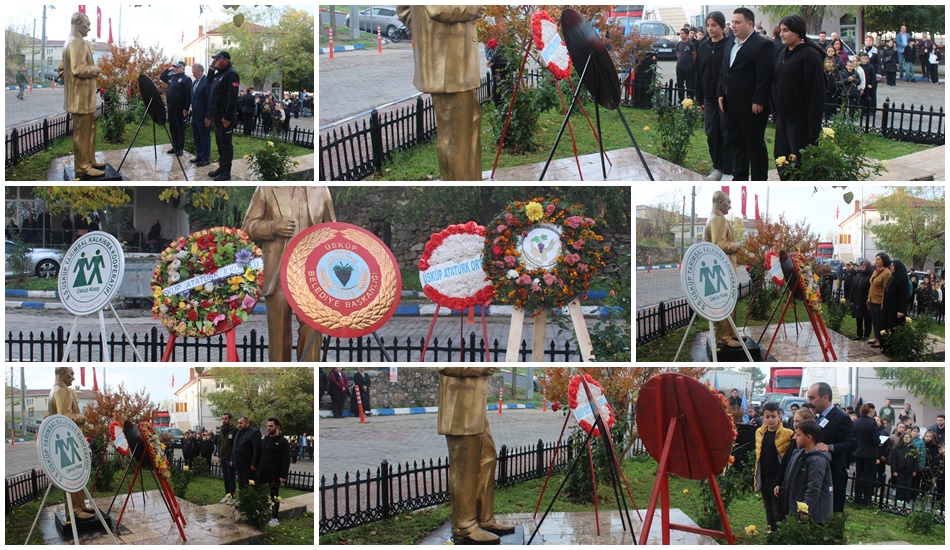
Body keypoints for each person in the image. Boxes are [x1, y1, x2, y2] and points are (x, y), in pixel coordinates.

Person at [242, 186, 337, 361]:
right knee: (279, 332)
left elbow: (332, 230)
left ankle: (310, 370)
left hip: (312, 275)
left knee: (313, 329)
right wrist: (271, 227)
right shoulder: (266, 189)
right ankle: (280, 372)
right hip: (278, 272)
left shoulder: (322, 190)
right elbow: (247, 228)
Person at [398, 5, 485, 181]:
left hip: (454, 62)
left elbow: (404, 9)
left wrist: (427, 33)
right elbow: (438, 8)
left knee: (469, 126)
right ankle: (461, 187)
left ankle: (471, 182)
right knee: (456, 136)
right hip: (449, 65)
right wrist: (476, 7)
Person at [437, 367, 515, 544]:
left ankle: (484, 519)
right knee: (465, 469)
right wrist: (482, 368)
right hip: (460, 410)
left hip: (476, 409)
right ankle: (465, 526)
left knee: (488, 458)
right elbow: (443, 366)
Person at [717, 7, 774, 181]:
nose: (733, 25)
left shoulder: (762, 45)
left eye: (737, 22)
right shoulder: (730, 43)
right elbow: (725, 71)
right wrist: (721, 93)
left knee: (754, 146)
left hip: (752, 107)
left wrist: (759, 99)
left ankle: (758, 180)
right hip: (731, 104)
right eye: (732, 22)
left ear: (750, 24)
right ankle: (740, 176)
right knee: (738, 144)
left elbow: (765, 75)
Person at [772, 15, 825, 181]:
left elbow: (816, 93)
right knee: (781, 159)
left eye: (786, 30)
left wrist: (813, 129)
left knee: (799, 164)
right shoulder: (784, 52)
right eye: (781, 30)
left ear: (797, 32)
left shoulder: (810, 55)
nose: (781, 34)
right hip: (783, 117)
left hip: (800, 121)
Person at [59, 12, 106, 178]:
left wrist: (72, 84)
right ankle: (83, 167)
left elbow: (62, 69)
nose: (89, 28)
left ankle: (89, 160)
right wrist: (95, 70)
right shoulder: (77, 41)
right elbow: (78, 69)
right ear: (78, 23)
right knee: (82, 133)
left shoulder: (70, 41)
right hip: (81, 100)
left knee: (89, 129)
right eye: (88, 24)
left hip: (81, 98)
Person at [48, 367, 96, 519]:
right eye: (72, 374)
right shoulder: (62, 391)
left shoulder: (54, 390)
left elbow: (48, 416)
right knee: (73, 475)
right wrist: (81, 417)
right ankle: (75, 510)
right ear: (63, 373)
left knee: (77, 474)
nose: (73, 378)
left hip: (65, 440)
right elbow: (65, 417)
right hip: (69, 441)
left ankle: (80, 505)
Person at [695, 11, 733, 182]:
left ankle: (729, 170)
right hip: (708, 98)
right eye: (708, 25)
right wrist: (699, 97)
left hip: (725, 98)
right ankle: (718, 167)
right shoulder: (703, 46)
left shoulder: (730, 46)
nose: (710, 29)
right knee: (712, 133)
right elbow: (698, 72)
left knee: (726, 133)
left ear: (722, 26)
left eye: (714, 25)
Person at [807, 382, 856, 514]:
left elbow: (852, 443)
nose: (809, 402)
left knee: (833, 512)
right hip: (818, 472)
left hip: (834, 474)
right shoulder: (818, 418)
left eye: (812, 398)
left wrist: (830, 447)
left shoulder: (841, 417)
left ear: (825, 397)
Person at [703, 191, 742, 346]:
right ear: (719, 202)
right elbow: (718, 245)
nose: (730, 206)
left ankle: (731, 332)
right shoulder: (718, 219)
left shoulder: (714, 217)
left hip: (722, 269)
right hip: (723, 269)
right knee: (725, 302)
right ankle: (724, 337)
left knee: (729, 301)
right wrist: (736, 246)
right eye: (728, 202)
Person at [776, 419, 833, 524]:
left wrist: (806, 509)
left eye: (798, 435)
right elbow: (791, 476)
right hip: (795, 506)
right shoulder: (798, 454)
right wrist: (782, 487)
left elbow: (814, 487)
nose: (795, 437)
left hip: (812, 515)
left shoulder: (817, 461)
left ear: (808, 437)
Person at [755, 402, 794, 531]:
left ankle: (780, 534)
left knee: (778, 509)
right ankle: (771, 532)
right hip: (764, 475)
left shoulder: (788, 433)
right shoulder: (759, 432)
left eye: (773, 416)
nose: (770, 420)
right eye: (767, 417)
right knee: (768, 508)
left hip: (778, 477)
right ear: (763, 418)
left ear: (779, 416)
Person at [205, 51, 240, 182]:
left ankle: (226, 172)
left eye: (217, 59)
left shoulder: (231, 74)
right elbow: (209, 81)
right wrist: (211, 68)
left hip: (225, 117)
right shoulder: (219, 73)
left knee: (226, 145)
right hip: (217, 115)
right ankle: (221, 167)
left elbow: (232, 97)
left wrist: (227, 117)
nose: (215, 61)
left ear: (225, 60)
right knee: (220, 143)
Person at [257, 418, 291, 527]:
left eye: (271, 426)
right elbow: (260, 454)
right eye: (268, 426)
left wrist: (283, 476)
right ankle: (262, 511)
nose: (268, 428)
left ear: (277, 427)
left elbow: (286, 460)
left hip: (274, 473)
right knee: (260, 492)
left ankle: (274, 517)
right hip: (262, 471)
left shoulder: (283, 442)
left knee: (274, 495)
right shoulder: (265, 440)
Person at [160, 61, 192, 157]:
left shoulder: (186, 79)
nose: (176, 69)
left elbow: (188, 95)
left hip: (180, 108)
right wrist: (169, 69)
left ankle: (180, 148)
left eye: (177, 67)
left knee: (180, 128)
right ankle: (174, 146)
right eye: (175, 67)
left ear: (183, 68)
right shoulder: (172, 77)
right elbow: (162, 77)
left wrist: (186, 108)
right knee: (173, 128)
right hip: (171, 107)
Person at [853, 403, 880, 505]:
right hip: (869, 453)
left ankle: (857, 497)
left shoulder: (856, 422)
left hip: (858, 452)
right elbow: (875, 440)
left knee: (859, 475)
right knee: (868, 476)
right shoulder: (872, 423)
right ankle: (867, 498)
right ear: (870, 410)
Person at [880, 259, 909, 352]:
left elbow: (904, 296)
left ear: (897, 267)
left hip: (896, 308)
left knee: (894, 328)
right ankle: (886, 347)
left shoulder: (902, 278)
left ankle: (893, 349)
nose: (891, 267)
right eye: (890, 265)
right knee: (886, 326)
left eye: (893, 265)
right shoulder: (892, 277)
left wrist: (901, 310)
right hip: (889, 307)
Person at [189, 63, 211, 167]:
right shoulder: (194, 83)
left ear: (201, 71)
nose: (193, 74)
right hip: (195, 114)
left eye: (195, 72)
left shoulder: (206, 82)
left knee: (204, 137)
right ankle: (199, 155)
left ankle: (206, 158)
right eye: (192, 72)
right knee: (197, 136)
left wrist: (208, 116)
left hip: (203, 115)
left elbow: (210, 99)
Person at [867, 252, 891, 347]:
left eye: (878, 259)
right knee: (874, 320)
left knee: (880, 321)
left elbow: (886, 289)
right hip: (873, 299)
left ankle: (881, 340)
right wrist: (869, 297)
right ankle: (876, 337)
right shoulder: (875, 271)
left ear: (883, 261)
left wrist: (883, 302)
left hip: (879, 300)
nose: (876, 261)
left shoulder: (886, 273)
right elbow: (872, 285)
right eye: (876, 259)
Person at [231, 416, 261, 490]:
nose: (239, 425)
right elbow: (235, 446)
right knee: (241, 486)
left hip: (248, 465)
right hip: (239, 464)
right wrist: (232, 459)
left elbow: (256, 449)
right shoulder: (239, 432)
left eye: (241, 423)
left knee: (248, 486)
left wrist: (254, 463)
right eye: (238, 423)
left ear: (247, 423)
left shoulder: (254, 432)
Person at [888, 432, 917, 505]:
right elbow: (894, 460)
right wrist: (894, 470)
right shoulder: (897, 448)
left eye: (909, 437)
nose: (907, 439)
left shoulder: (913, 448)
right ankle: (899, 499)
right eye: (906, 437)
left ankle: (906, 500)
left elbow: (916, 460)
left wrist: (915, 470)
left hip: (909, 471)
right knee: (900, 485)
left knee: (908, 486)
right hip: (900, 470)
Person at [218, 412, 239, 503]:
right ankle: (227, 495)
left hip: (230, 458)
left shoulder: (235, 430)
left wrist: (233, 459)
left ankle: (233, 496)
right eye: (223, 419)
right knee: (225, 477)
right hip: (223, 457)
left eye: (226, 419)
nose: (224, 420)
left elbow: (235, 445)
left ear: (230, 419)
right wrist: (219, 456)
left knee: (231, 477)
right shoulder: (222, 429)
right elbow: (220, 443)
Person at [675, 27, 696, 101]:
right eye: (680, 33)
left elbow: (694, 55)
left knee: (689, 83)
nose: (681, 35)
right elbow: (678, 53)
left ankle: (690, 99)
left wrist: (691, 63)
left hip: (688, 67)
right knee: (680, 83)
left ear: (687, 34)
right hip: (680, 66)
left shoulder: (690, 44)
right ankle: (681, 98)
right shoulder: (678, 44)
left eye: (683, 33)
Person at [858, 53, 877, 119]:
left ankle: (867, 111)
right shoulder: (859, 66)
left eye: (866, 59)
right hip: (861, 85)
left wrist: (871, 84)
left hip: (867, 85)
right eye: (863, 58)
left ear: (868, 59)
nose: (864, 60)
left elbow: (873, 76)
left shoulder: (870, 67)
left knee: (867, 99)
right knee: (861, 99)